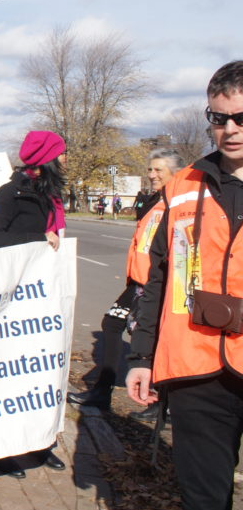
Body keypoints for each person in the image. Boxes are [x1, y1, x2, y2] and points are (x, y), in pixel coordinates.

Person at [126, 62, 243, 510]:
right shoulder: (182, 186)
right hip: (197, 369)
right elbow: (156, 280)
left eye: (241, 117)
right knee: (204, 505)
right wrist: (140, 357)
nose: (230, 129)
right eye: (219, 118)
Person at [68, 148, 185, 412]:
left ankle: (160, 400)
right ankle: (104, 392)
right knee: (112, 324)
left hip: (157, 284)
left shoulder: (178, 202)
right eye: (150, 169)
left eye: (158, 170)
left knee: (154, 336)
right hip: (138, 282)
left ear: (175, 173)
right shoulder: (156, 200)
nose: (152, 174)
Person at [0, 129, 68, 477]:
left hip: (42, 298)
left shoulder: (50, 196)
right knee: (10, 375)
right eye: (61, 154)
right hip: (14, 300)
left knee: (41, 372)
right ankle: (1, 450)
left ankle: (38, 442)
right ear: (47, 158)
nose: (65, 160)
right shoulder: (10, 193)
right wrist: (38, 239)